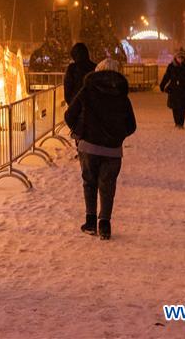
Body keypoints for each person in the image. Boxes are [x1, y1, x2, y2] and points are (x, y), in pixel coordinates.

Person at [64, 58, 136, 241]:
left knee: (89, 183)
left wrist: (82, 131)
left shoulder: (87, 91)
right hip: (113, 150)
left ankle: (90, 221)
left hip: (88, 146)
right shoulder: (122, 96)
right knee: (107, 186)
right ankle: (104, 224)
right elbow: (131, 125)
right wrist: (117, 136)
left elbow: (69, 115)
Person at [160, 49, 185, 128]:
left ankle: (181, 124)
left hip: (184, 90)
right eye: (179, 57)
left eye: (182, 58)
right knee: (175, 107)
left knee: (182, 108)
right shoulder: (171, 67)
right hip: (174, 90)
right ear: (175, 58)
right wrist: (162, 85)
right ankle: (177, 123)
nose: (180, 59)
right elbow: (166, 77)